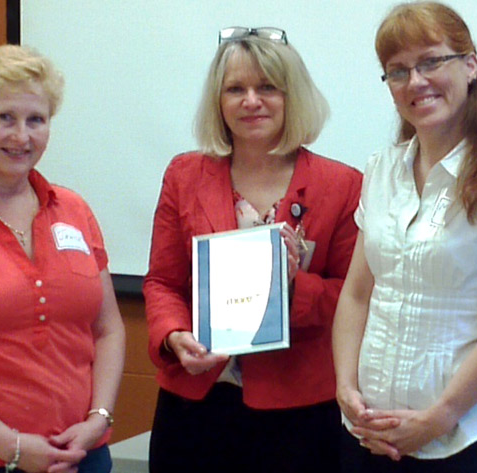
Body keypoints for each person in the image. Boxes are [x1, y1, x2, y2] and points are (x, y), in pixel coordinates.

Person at [143, 26, 362, 473]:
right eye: (235, 89)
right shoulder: (184, 175)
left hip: (299, 411)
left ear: (292, 97)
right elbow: (162, 282)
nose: (251, 101)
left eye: (267, 88)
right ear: (218, 102)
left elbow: (352, 296)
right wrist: (173, 334)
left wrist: (292, 285)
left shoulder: (342, 185)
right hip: (196, 403)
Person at [332, 2, 477, 472]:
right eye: (397, 71)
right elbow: (358, 295)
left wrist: (440, 417)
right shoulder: (382, 170)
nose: (415, 81)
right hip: (368, 436)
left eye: (430, 61)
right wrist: (345, 387)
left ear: (469, 65)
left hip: (466, 442)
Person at [0, 45, 125, 473]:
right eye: (5, 118)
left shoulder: (74, 210)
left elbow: (108, 329)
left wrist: (98, 420)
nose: (22, 137)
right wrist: (13, 447)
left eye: (36, 120)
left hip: (81, 457)